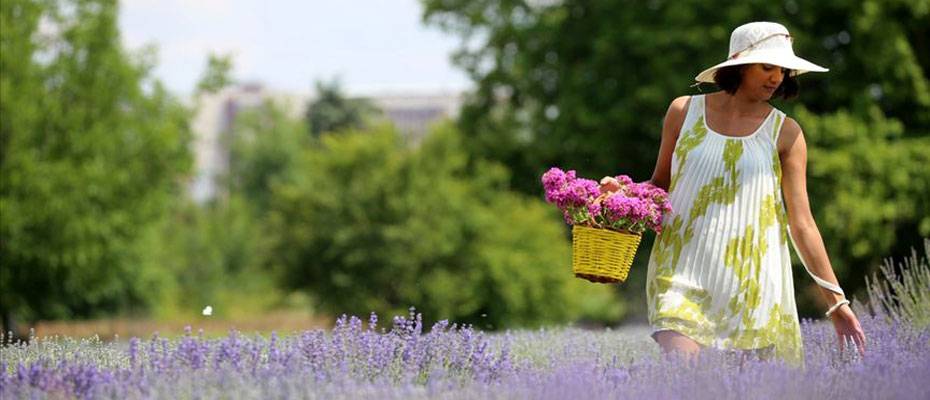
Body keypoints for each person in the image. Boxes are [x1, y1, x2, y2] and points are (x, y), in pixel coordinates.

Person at [600, 21, 866, 366]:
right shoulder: (683, 112)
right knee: (686, 377)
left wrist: (836, 302)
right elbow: (660, 184)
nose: (777, 78)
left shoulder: (786, 133)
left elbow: (802, 225)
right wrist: (621, 192)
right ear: (739, 65)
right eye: (767, 66)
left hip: (752, 285)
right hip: (681, 271)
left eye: (783, 70)